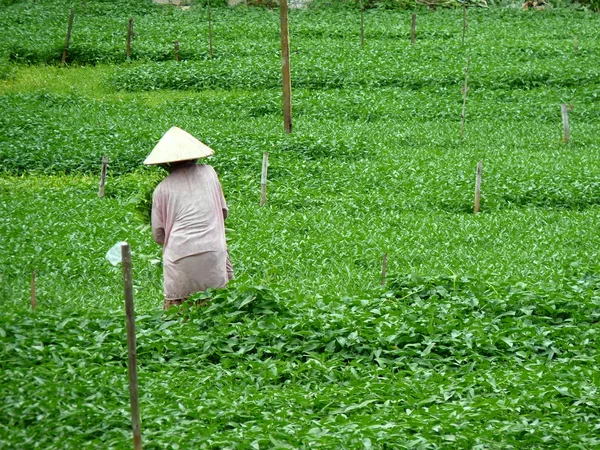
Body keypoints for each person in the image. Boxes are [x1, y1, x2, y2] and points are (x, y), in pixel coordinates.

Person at [144, 126, 233, 310]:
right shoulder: (210, 173)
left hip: (179, 257)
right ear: (195, 156)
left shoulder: (161, 189)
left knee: (180, 315)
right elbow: (223, 213)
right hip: (213, 252)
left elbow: (158, 236)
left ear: (166, 163)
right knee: (216, 309)